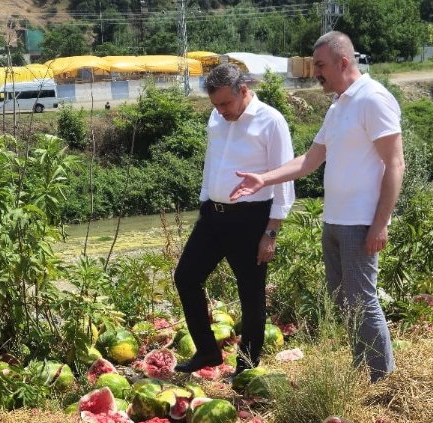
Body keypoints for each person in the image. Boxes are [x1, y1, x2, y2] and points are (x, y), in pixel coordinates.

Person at [230, 32, 403, 382]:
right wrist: (265, 179)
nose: (316, 73)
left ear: (343, 62)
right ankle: (363, 370)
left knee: (363, 302)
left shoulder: (373, 99)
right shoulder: (339, 105)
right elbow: (310, 161)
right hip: (335, 220)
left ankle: (384, 380)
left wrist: (380, 224)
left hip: (360, 221)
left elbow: (395, 164)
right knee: (344, 302)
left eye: (321, 66)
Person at [173, 64, 295, 375]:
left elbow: (284, 181)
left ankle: (247, 364)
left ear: (243, 91)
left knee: (251, 293)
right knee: (186, 277)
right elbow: (212, 160)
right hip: (213, 214)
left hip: (251, 219)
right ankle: (207, 351)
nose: (221, 111)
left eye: (226, 103)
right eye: (215, 105)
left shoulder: (271, 120)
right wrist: (205, 200)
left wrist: (271, 232)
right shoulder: (217, 116)